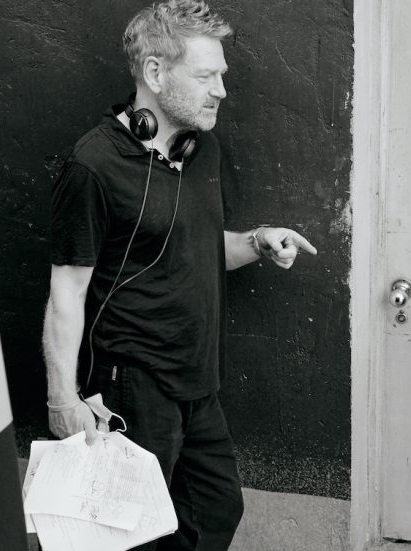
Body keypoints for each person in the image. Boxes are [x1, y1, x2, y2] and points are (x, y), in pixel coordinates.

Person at [41, 1, 316, 549]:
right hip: (133, 385)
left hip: (197, 380)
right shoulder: (95, 166)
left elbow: (196, 248)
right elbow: (67, 290)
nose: (221, 90)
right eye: (206, 76)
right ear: (154, 72)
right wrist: (62, 401)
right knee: (127, 531)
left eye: (222, 76)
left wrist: (258, 242)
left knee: (215, 508)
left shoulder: (199, 148)